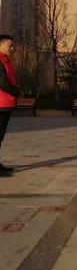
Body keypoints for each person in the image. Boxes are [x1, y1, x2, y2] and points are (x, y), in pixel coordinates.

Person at [0, 35, 20, 178]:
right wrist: (18, 92)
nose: (12, 48)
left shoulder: (5, 60)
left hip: (5, 102)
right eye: (9, 45)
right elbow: (3, 83)